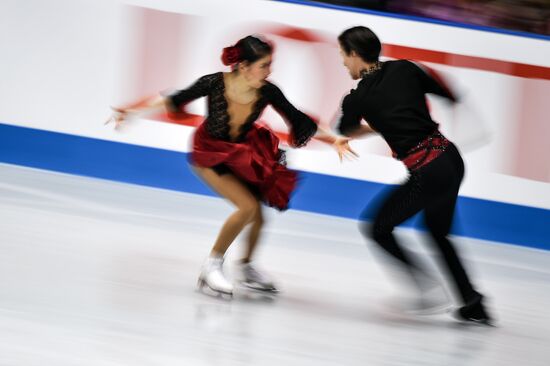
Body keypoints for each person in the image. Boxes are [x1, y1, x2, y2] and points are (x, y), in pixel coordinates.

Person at [106, 35, 354, 297]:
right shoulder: (214, 82)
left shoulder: (267, 90)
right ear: (244, 66)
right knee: (246, 207)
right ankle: (211, 267)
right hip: (210, 154)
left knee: (258, 215)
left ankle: (246, 267)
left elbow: (299, 118)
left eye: (270, 64)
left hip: (240, 153)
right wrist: (132, 111)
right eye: (264, 65)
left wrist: (334, 139)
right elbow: (173, 100)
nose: (269, 70)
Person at [335, 26, 493, 325]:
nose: (343, 62)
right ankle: (472, 302)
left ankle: (428, 288)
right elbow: (445, 92)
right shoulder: (405, 68)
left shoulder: (357, 97)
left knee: (378, 228)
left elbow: (345, 130)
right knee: (437, 233)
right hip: (449, 159)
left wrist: (376, 125)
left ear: (355, 54)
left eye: (343, 55)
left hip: (427, 171)